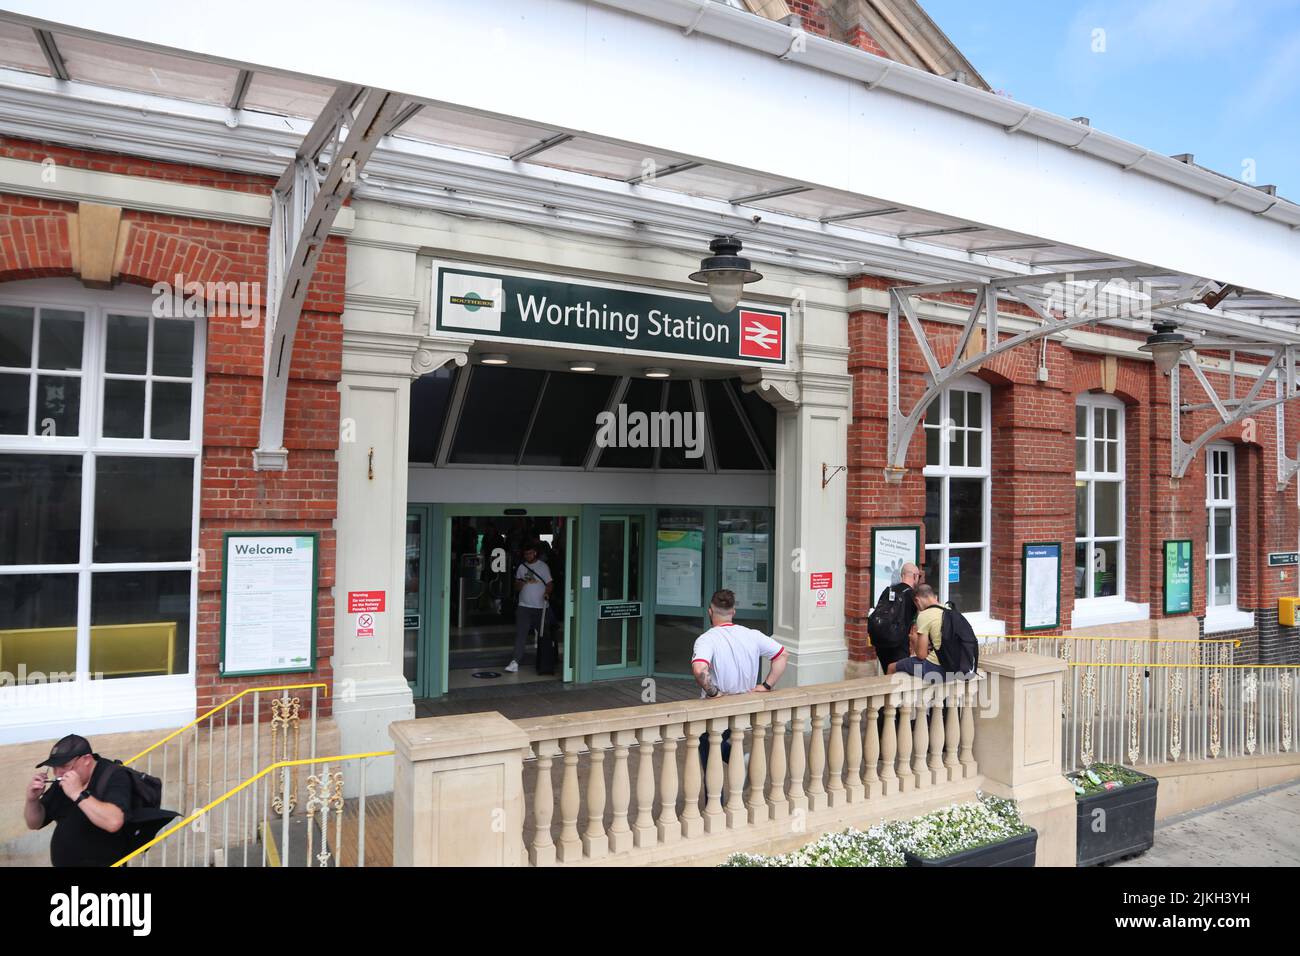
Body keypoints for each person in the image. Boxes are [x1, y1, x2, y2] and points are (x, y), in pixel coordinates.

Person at [690, 589, 787, 763]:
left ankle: (736, 769)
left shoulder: (707, 639)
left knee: (708, 749)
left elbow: (699, 670)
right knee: (711, 744)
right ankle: (741, 763)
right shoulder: (752, 635)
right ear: (733, 612)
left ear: (710, 612)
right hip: (744, 707)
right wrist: (766, 685)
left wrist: (713, 693)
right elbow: (782, 655)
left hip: (716, 709)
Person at [25, 734, 134, 867]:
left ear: (86, 759)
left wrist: (77, 793)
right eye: (54, 767)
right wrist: (32, 800)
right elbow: (35, 823)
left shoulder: (114, 774)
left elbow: (113, 822)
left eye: (64, 766)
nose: (58, 773)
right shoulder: (63, 780)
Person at [868, 562, 922, 674]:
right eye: (919, 576)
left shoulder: (888, 591)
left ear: (902, 575)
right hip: (898, 644)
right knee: (898, 678)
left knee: (888, 673)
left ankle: (887, 691)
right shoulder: (912, 596)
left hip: (880, 642)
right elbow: (914, 624)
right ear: (915, 576)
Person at [508, 541, 552, 673]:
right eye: (526, 553)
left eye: (530, 553)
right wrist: (522, 581)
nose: (528, 556)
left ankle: (546, 661)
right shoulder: (522, 567)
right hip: (524, 607)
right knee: (521, 635)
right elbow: (516, 586)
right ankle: (515, 661)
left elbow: (550, 584)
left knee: (544, 635)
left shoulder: (543, 567)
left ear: (535, 553)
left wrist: (546, 593)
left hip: (540, 608)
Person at [887, 584, 946, 679]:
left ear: (917, 600)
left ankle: (892, 694)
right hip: (957, 666)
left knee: (891, 667)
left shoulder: (924, 615)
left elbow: (922, 655)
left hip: (937, 670)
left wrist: (914, 641)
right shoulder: (948, 609)